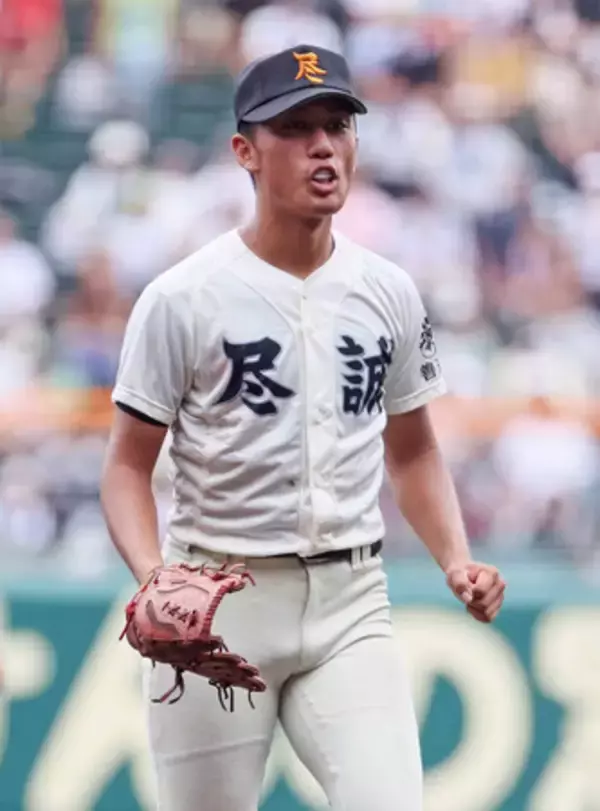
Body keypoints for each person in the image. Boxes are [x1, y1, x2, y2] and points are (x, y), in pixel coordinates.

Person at [100, 44, 506, 811]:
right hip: (217, 601)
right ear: (245, 151)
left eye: (337, 125)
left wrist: (456, 557)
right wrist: (155, 579)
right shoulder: (183, 297)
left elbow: (413, 449)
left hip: (351, 598)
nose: (323, 146)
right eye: (294, 128)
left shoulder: (388, 290)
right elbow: (126, 465)